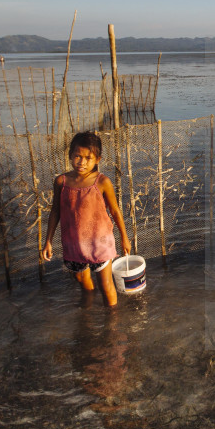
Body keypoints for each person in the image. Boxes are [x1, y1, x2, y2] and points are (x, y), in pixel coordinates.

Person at [41, 131, 131, 306]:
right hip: (73, 244)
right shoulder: (62, 181)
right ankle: (88, 311)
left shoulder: (102, 182)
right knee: (83, 283)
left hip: (99, 243)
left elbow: (115, 211)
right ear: (70, 156)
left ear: (97, 159)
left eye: (88, 158)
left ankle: (112, 324)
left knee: (106, 286)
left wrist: (124, 238)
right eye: (77, 156)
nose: (81, 162)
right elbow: (55, 212)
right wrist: (48, 241)